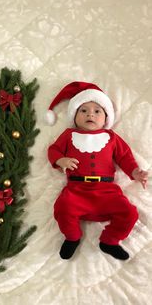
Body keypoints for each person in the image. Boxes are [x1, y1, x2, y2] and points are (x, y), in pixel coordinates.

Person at [46, 81, 148, 260]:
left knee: (130, 213)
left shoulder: (111, 137)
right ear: (75, 116)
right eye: (83, 110)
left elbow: (124, 157)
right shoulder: (69, 135)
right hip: (77, 190)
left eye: (97, 111)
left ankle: (110, 240)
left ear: (106, 117)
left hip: (107, 191)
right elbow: (53, 150)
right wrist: (61, 160)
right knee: (62, 208)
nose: (90, 114)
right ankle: (72, 237)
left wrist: (134, 172)